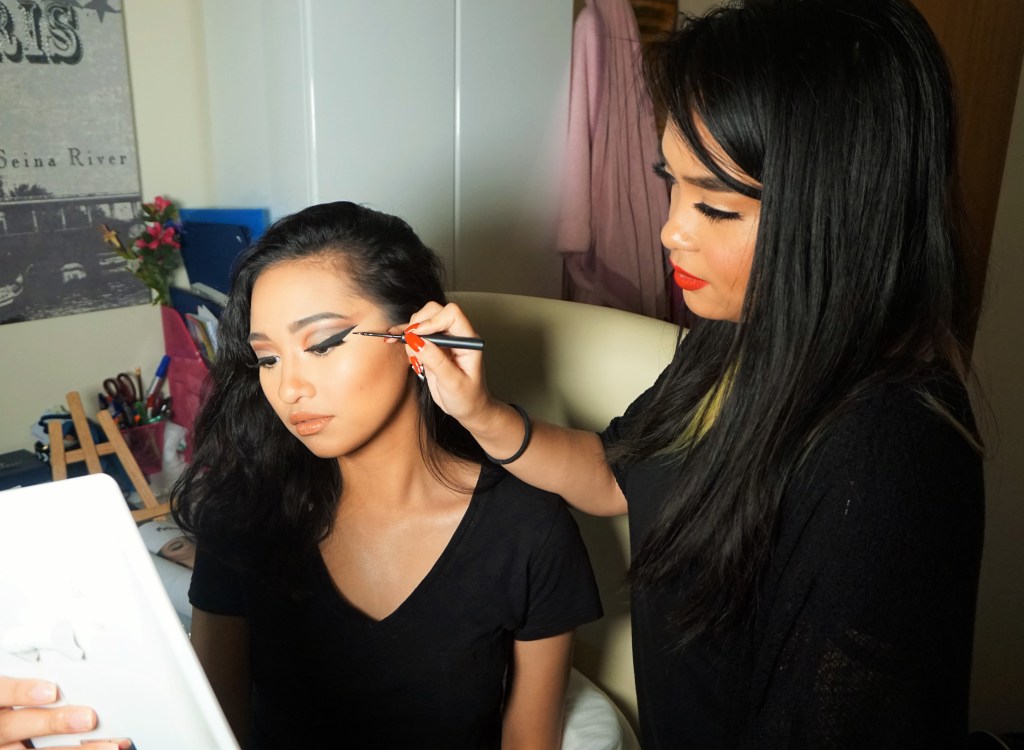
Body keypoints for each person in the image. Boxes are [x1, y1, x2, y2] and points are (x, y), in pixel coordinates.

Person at [398, 0, 985, 747]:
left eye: (717, 208)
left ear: (840, 211)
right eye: (669, 183)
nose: (671, 230)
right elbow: (617, 476)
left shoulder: (887, 459)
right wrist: (478, 412)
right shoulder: (737, 338)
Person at [170, 202, 602, 749]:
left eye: (323, 344)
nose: (289, 388)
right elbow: (212, 732)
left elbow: (529, 741)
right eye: (268, 359)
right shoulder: (242, 511)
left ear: (416, 337)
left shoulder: (527, 530)